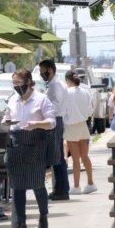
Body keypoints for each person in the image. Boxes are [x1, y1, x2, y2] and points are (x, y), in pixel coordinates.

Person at [2, 68, 56, 228]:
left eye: (18, 83)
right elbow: (7, 117)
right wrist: (6, 121)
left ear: (28, 82)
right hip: (16, 144)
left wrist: (36, 124)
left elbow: (52, 122)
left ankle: (43, 217)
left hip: (36, 144)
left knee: (38, 184)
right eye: (13, 83)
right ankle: (21, 224)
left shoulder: (41, 99)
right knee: (17, 187)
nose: (16, 86)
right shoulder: (12, 100)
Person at [39, 59, 70, 201]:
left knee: (57, 157)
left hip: (55, 121)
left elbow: (56, 106)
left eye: (42, 71)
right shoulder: (53, 84)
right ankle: (59, 188)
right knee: (56, 157)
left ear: (49, 70)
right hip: (55, 120)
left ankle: (62, 190)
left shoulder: (56, 85)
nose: (41, 74)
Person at [64, 70, 97, 195]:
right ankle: (90, 183)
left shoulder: (66, 92)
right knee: (85, 156)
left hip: (71, 126)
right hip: (83, 125)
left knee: (76, 159)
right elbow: (90, 109)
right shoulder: (85, 91)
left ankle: (76, 186)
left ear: (67, 80)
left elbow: (62, 110)